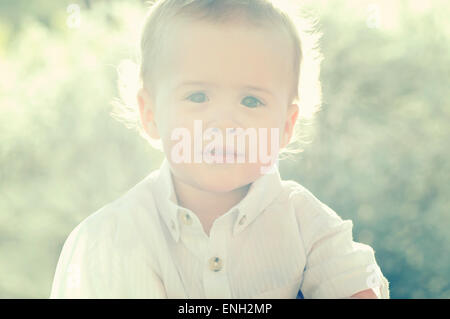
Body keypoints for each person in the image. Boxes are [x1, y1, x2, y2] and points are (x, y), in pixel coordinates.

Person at [50, 0, 389, 298]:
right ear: (150, 114)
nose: (225, 123)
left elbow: (352, 283)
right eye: (197, 96)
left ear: (286, 126)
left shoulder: (306, 223)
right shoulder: (111, 240)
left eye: (251, 100)